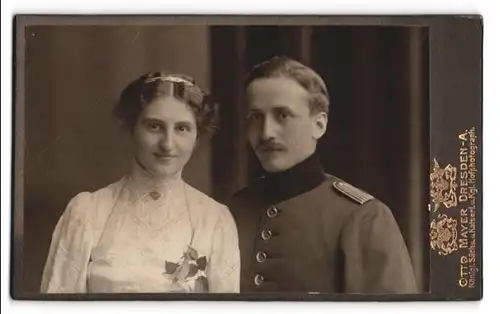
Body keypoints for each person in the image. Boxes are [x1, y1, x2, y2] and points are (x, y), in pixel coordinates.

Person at [227, 56, 418, 294]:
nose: (266, 133)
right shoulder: (235, 209)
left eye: (283, 115)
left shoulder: (363, 217)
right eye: (256, 117)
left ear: (319, 124)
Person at [40, 71, 240, 294]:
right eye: (154, 126)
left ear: (197, 137)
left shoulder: (215, 220)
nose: (167, 144)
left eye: (182, 128)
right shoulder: (87, 212)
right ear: (131, 128)